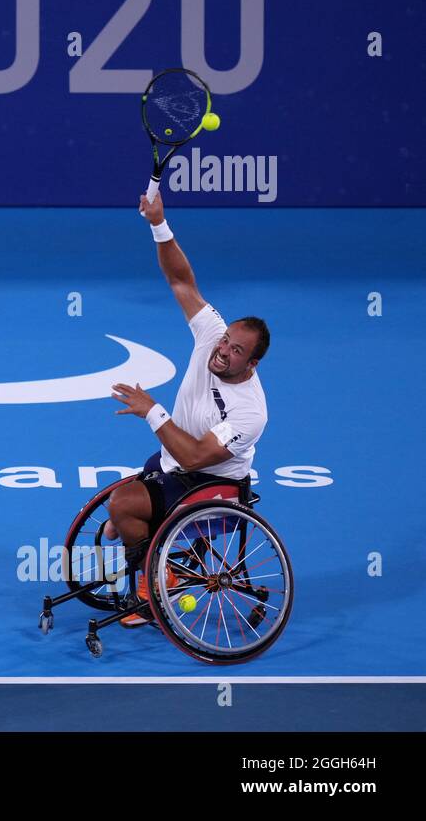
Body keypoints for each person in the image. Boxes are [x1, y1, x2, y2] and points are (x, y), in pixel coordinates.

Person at [106, 185, 270, 626]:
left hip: (210, 484)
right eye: (225, 341)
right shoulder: (211, 336)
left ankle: (154, 588)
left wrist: (152, 411)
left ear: (251, 364)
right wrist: (158, 222)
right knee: (117, 517)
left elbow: (196, 456)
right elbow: (181, 280)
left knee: (122, 507)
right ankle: (159, 561)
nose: (223, 351)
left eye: (237, 352)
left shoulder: (250, 411)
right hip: (172, 465)